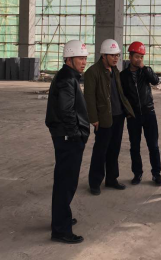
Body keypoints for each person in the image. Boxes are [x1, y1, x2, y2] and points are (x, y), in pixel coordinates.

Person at [44, 40, 91, 244]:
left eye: (85, 58)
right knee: (66, 182)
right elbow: (66, 111)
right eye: (80, 58)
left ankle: (60, 219)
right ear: (69, 59)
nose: (84, 62)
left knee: (64, 181)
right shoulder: (66, 79)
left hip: (64, 135)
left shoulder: (68, 76)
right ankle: (61, 230)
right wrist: (75, 135)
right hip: (67, 137)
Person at [85, 39, 135, 196]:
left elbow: (119, 93)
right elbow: (89, 98)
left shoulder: (115, 71)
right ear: (103, 55)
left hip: (118, 116)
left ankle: (112, 179)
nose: (116, 58)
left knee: (114, 149)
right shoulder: (93, 72)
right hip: (104, 118)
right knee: (100, 150)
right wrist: (94, 118)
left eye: (117, 55)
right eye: (112, 55)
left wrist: (126, 110)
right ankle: (95, 182)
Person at [120, 41, 161, 186]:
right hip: (133, 116)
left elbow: (156, 81)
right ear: (130, 56)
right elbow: (122, 97)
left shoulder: (146, 71)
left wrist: (144, 68)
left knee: (153, 146)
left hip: (149, 113)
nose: (139, 59)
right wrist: (127, 113)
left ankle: (156, 174)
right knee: (134, 147)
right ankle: (137, 174)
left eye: (141, 57)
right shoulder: (123, 75)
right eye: (136, 57)